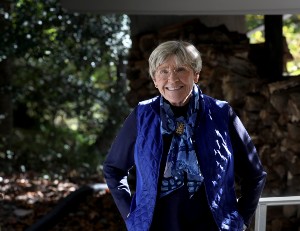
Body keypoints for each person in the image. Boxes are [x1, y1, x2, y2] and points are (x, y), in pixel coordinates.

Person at [103, 40, 267, 231]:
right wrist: (131, 216)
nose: (172, 79)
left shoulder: (222, 113)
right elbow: (113, 169)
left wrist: (240, 219)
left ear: (196, 75)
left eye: (181, 69)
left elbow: (255, 174)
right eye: (163, 71)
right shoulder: (142, 115)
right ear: (155, 79)